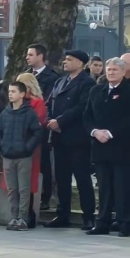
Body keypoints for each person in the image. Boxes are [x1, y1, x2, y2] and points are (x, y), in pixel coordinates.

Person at [44, 49, 96, 230]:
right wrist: (50, 120)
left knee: (82, 178)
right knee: (62, 178)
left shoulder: (87, 82)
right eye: (65, 59)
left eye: (69, 59)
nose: (65, 62)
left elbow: (81, 107)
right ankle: (62, 214)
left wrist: (60, 121)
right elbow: (49, 103)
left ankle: (88, 216)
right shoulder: (60, 81)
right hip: (59, 137)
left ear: (80, 63)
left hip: (77, 138)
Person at [84, 57, 130, 237]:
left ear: (123, 72)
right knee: (104, 187)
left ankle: (125, 222)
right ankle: (102, 222)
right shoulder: (96, 90)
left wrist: (111, 133)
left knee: (122, 187)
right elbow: (87, 115)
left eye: (115, 70)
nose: (111, 72)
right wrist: (95, 131)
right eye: (109, 69)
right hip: (100, 147)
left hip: (121, 147)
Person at [0, 81, 45, 231]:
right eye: (9, 91)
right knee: (12, 189)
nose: (10, 94)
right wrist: (1, 146)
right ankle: (13, 217)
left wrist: (27, 148)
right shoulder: (5, 113)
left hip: (23, 156)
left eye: (14, 91)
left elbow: (37, 132)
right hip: (8, 156)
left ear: (22, 94)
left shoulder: (29, 113)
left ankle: (23, 218)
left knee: (24, 189)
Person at [25, 43, 57, 210]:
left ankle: (45, 196)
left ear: (40, 56)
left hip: (40, 127)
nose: (27, 57)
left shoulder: (51, 77)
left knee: (43, 163)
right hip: (23, 128)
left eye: (31, 54)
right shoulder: (25, 74)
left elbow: (48, 102)